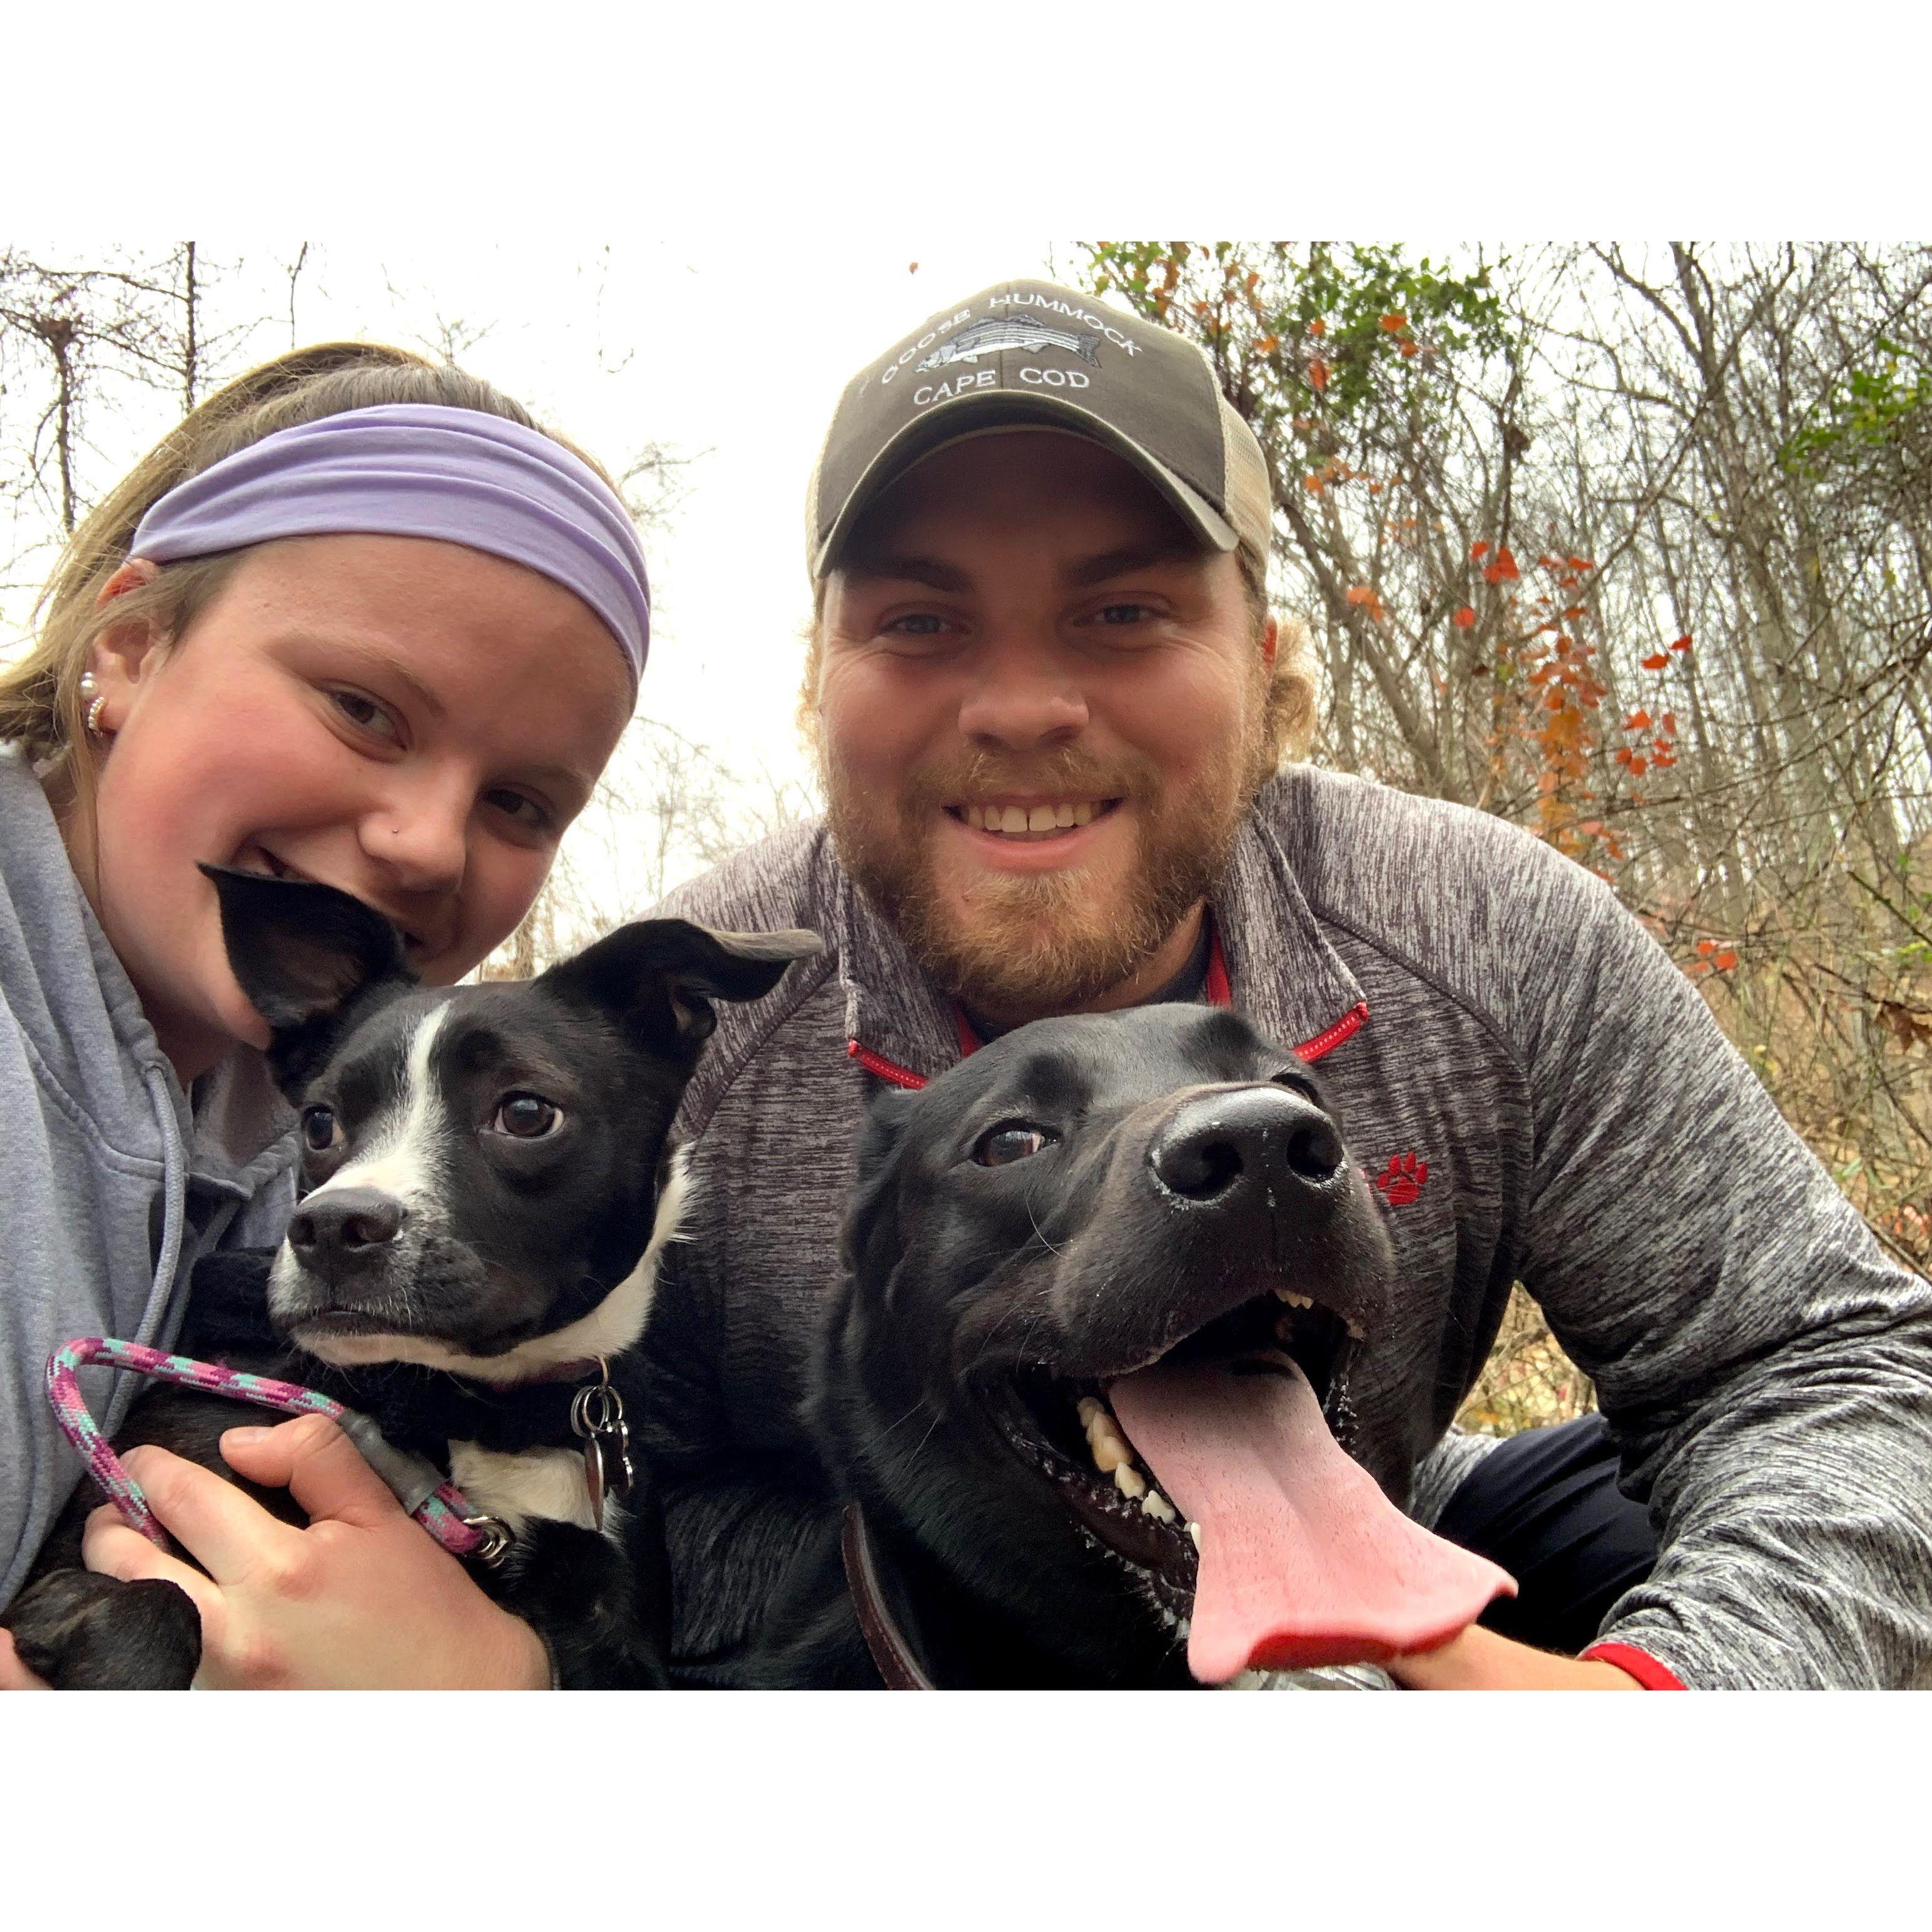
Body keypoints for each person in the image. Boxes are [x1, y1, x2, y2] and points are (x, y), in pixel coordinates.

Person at [639, 277, 1932, 1689]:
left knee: (1685, 1527)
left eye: (1121, 609)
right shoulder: (687, 1023)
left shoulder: (1480, 931)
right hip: (889, 1592)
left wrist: (1661, 1704)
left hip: (1375, 1508)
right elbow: (594, 1499)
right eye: (919, 624)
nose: (1020, 707)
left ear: (1262, 661)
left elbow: (1827, 1366)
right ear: (819, 680)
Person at [0, 344, 651, 1689]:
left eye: (521, 802)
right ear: (125, 649)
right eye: (364, 708)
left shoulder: (271, 1124)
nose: (424, 843)